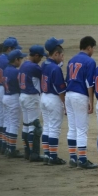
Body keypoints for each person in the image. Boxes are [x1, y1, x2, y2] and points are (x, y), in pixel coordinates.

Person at [65, 36, 97, 169]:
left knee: (72, 127)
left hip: (68, 95)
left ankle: (73, 158)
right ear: (89, 47)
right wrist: (91, 101)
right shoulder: (90, 61)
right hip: (79, 95)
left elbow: (67, 80)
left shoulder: (71, 60)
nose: (93, 51)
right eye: (93, 48)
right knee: (82, 128)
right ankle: (82, 160)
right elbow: (89, 83)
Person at [40, 37, 67, 165]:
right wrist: (65, 104)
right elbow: (60, 90)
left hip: (44, 97)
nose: (62, 58)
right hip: (53, 99)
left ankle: (47, 155)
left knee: (47, 126)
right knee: (54, 128)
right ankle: (53, 157)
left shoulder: (44, 64)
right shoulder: (56, 69)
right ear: (55, 54)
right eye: (61, 55)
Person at [18, 45, 46, 161]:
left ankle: (27, 152)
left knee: (26, 125)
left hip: (23, 96)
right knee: (34, 126)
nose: (41, 59)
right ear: (36, 56)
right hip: (31, 97)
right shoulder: (34, 67)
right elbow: (45, 74)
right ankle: (34, 154)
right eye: (40, 57)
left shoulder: (24, 64)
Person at [0, 37, 21, 154]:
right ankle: (7, 146)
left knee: (1, 116)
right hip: (4, 89)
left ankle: (0, 144)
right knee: (8, 118)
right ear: (9, 49)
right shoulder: (8, 61)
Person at [2, 49, 26, 158]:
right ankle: (11, 150)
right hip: (13, 97)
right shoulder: (15, 72)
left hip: (6, 96)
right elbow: (20, 86)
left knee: (8, 122)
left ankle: (8, 147)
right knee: (14, 124)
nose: (21, 61)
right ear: (16, 59)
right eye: (20, 59)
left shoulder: (6, 69)